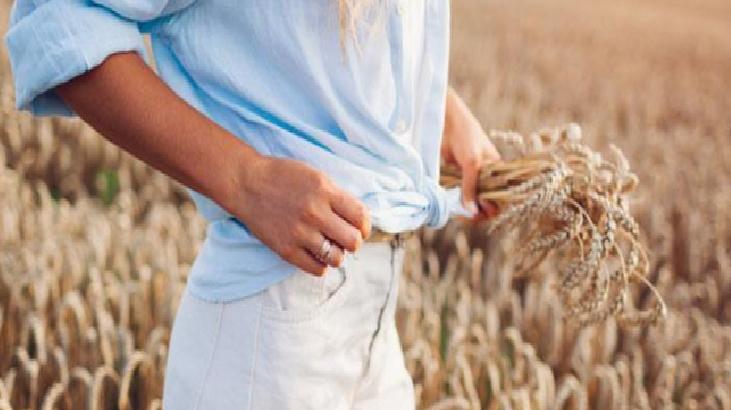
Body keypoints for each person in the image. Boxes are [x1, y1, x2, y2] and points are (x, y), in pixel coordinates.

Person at [5, 0, 500, 408]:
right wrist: (246, 179)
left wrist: (437, 108)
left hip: (375, 324)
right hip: (270, 334)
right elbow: (63, 18)